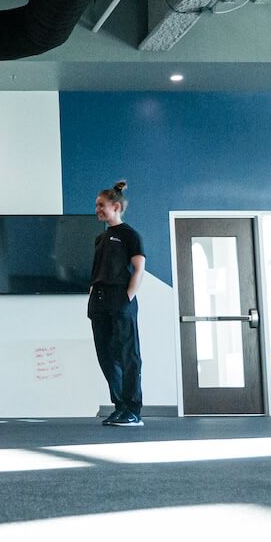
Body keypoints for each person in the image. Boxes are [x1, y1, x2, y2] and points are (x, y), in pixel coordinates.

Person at [88, 180, 146, 427]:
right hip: (99, 302)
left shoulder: (130, 235)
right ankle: (120, 406)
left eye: (101, 205)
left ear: (116, 206)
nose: (97, 209)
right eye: (97, 205)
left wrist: (127, 298)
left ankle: (134, 410)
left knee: (128, 355)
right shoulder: (100, 238)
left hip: (120, 300)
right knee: (106, 356)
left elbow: (139, 269)